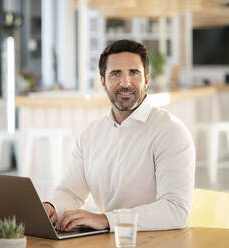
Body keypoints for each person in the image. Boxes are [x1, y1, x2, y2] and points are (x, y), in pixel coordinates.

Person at [43, 39, 195, 232]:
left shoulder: (170, 132)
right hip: (110, 240)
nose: (125, 83)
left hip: (157, 241)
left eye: (134, 73)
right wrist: (52, 207)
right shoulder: (91, 133)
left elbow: (176, 211)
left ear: (147, 79)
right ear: (102, 81)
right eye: (116, 74)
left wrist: (106, 220)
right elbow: (71, 191)